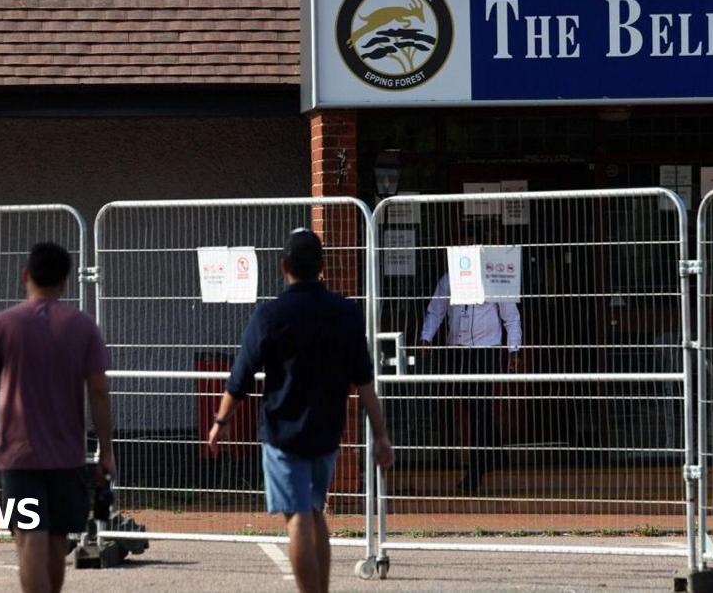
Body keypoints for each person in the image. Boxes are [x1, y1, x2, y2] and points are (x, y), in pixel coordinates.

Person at [209, 228, 394, 593]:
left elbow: (240, 377)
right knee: (314, 512)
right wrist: (381, 435)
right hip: (327, 430)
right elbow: (365, 380)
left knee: (296, 516)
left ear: (284, 266)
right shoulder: (346, 313)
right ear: (321, 266)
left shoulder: (271, 315)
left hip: (282, 433)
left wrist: (221, 421)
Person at [0, 242, 115, 593]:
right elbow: (98, 391)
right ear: (65, 282)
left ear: (25, 276)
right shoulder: (83, 327)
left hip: (19, 454)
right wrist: (105, 449)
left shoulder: (2, 325)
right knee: (58, 539)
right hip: (68, 454)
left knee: (30, 536)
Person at [419, 226, 522, 494]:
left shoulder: (493, 278)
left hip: (486, 350)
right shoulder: (449, 279)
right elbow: (436, 310)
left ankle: (476, 470)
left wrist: (514, 350)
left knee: (479, 407)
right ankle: (497, 453)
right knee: (474, 406)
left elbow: (511, 316)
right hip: (458, 350)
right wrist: (425, 337)